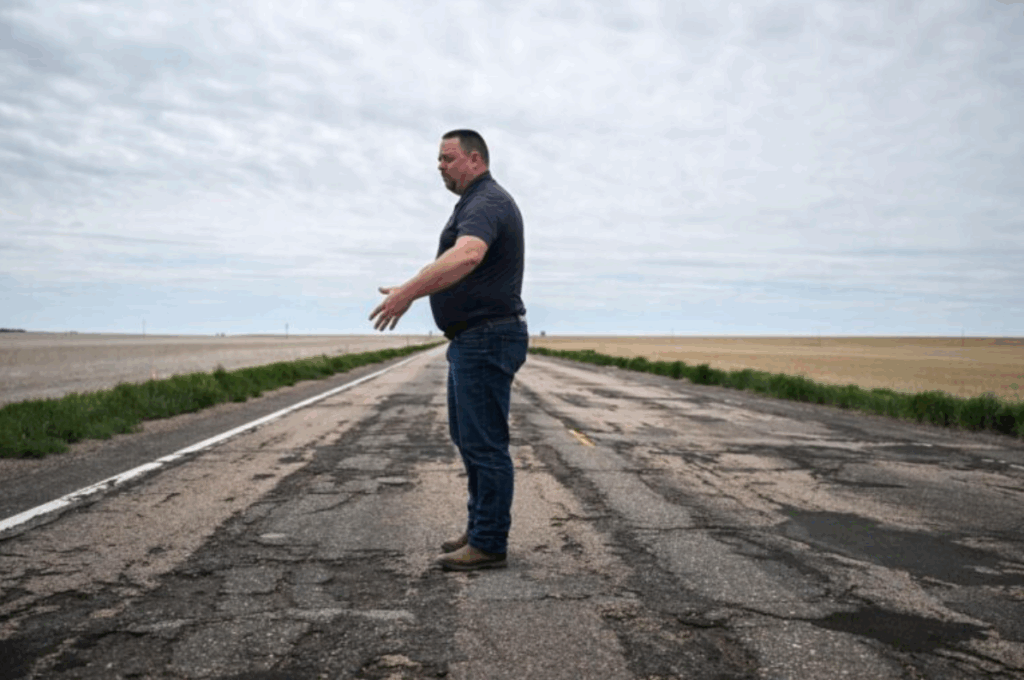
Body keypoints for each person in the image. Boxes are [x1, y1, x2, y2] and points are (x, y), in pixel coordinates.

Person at [369, 129, 528, 571]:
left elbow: (467, 256)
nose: (440, 166)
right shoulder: (473, 203)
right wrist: (411, 287)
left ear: (475, 160)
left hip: (487, 337)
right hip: (473, 339)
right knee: (470, 439)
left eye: (448, 158)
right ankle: (481, 528)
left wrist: (408, 294)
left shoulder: (487, 201)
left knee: (485, 444)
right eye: (438, 160)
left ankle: (489, 542)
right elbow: (455, 258)